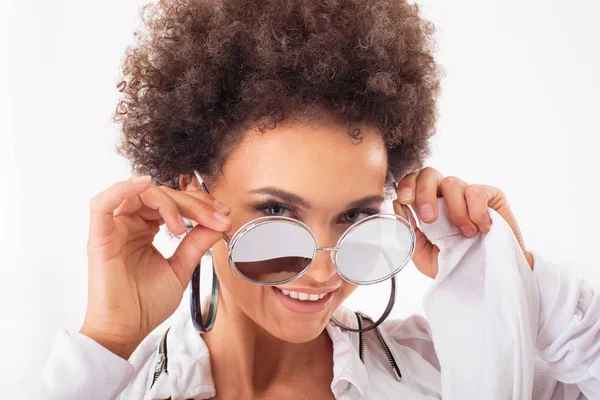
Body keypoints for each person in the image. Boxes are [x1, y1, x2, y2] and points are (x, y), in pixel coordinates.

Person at [39, 0, 599, 398]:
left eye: (356, 216)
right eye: (277, 213)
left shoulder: (451, 367)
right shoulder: (115, 385)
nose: (324, 268)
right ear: (195, 194)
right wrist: (109, 339)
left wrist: (521, 279)